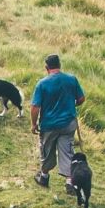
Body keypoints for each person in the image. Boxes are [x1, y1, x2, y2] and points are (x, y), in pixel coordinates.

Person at [30, 53, 85, 188]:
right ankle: (70, 183)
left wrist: (33, 124)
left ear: (46, 67)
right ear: (59, 65)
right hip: (68, 123)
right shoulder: (72, 79)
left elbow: (35, 107)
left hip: (49, 125)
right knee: (67, 151)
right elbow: (81, 98)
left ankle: (44, 177)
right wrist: (72, 104)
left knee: (47, 150)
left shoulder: (42, 84)